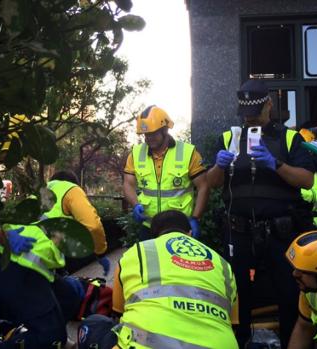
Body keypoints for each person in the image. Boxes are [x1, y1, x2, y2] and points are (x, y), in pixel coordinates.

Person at [207, 79, 317, 348]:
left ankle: (291, 341)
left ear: (269, 104)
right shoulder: (229, 138)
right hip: (240, 230)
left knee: (288, 292)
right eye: (246, 114)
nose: (250, 119)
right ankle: (239, 341)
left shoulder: (290, 138)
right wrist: (219, 167)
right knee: (238, 293)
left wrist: (276, 164)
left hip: (279, 231)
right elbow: (211, 183)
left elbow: (307, 180)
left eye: (255, 112)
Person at [77, 210, 239, 349]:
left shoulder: (137, 252)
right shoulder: (223, 264)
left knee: (95, 326)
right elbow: (233, 324)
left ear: (154, 236)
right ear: (190, 233)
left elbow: (119, 312)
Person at [123, 105, 210, 241]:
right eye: (146, 134)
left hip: (180, 228)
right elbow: (128, 184)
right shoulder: (135, 154)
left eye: (153, 133)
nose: (149, 138)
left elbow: (203, 186)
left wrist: (195, 218)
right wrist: (135, 204)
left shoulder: (188, 153)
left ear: (165, 130)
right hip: (149, 227)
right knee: (151, 262)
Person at [41, 170, 109, 275]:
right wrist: (101, 252)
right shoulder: (71, 189)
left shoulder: (40, 191)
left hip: (15, 253)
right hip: (41, 259)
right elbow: (93, 226)